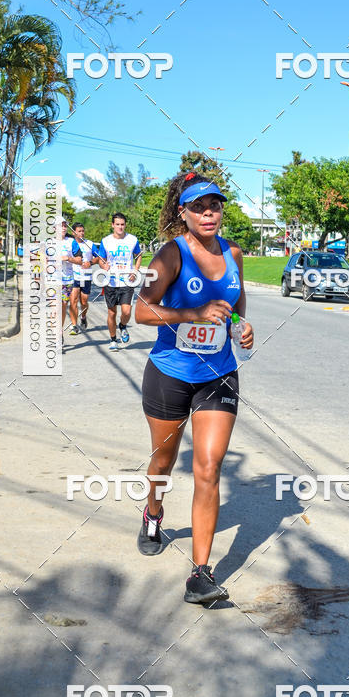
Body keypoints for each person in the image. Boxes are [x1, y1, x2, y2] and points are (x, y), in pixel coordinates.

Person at [135, 172, 254, 604]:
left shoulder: (234, 253)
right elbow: (141, 312)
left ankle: (200, 574)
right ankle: (153, 512)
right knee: (163, 462)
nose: (208, 213)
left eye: (214, 205)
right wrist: (194, 313)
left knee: (208, 466)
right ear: (182, 212)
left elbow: (237, 304)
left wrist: (242, 327)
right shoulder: (170, 254)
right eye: (198, 207)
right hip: (170, 373)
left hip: (218, 373)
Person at [97, 213, 143, 351]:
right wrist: (103, 266)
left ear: (125, 225)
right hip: (110, 282)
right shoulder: (106, 241)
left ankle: (122, 326)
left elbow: (138, 256)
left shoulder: (132, 240)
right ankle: (113, 340)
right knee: (112, 313)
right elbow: (101, 259)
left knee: (127, 311)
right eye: (117, 224)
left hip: (127, 281)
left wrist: (135, 270)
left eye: (122, 224)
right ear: (112, 225)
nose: (120, 227)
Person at [70, 222, 98, 332]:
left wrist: (90, 263)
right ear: (73, 233)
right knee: (73, 300)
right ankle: (74, 325)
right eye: (79, 231)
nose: (82, 233)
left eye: (83, 231)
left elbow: (99, 257)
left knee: (84, 302)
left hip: (86, 277)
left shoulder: (90, 244)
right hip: (73, 276)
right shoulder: (70, 244)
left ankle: (83, 317)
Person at [60, 220, 82, 335]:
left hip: (67, 280)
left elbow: (80, 260)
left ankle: (59, 334)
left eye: (65, 226)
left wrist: (68, 258)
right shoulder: (47, 243)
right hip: (51, 280)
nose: (63, 228)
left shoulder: (71, 242)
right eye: (60, 226)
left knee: (62, 306)